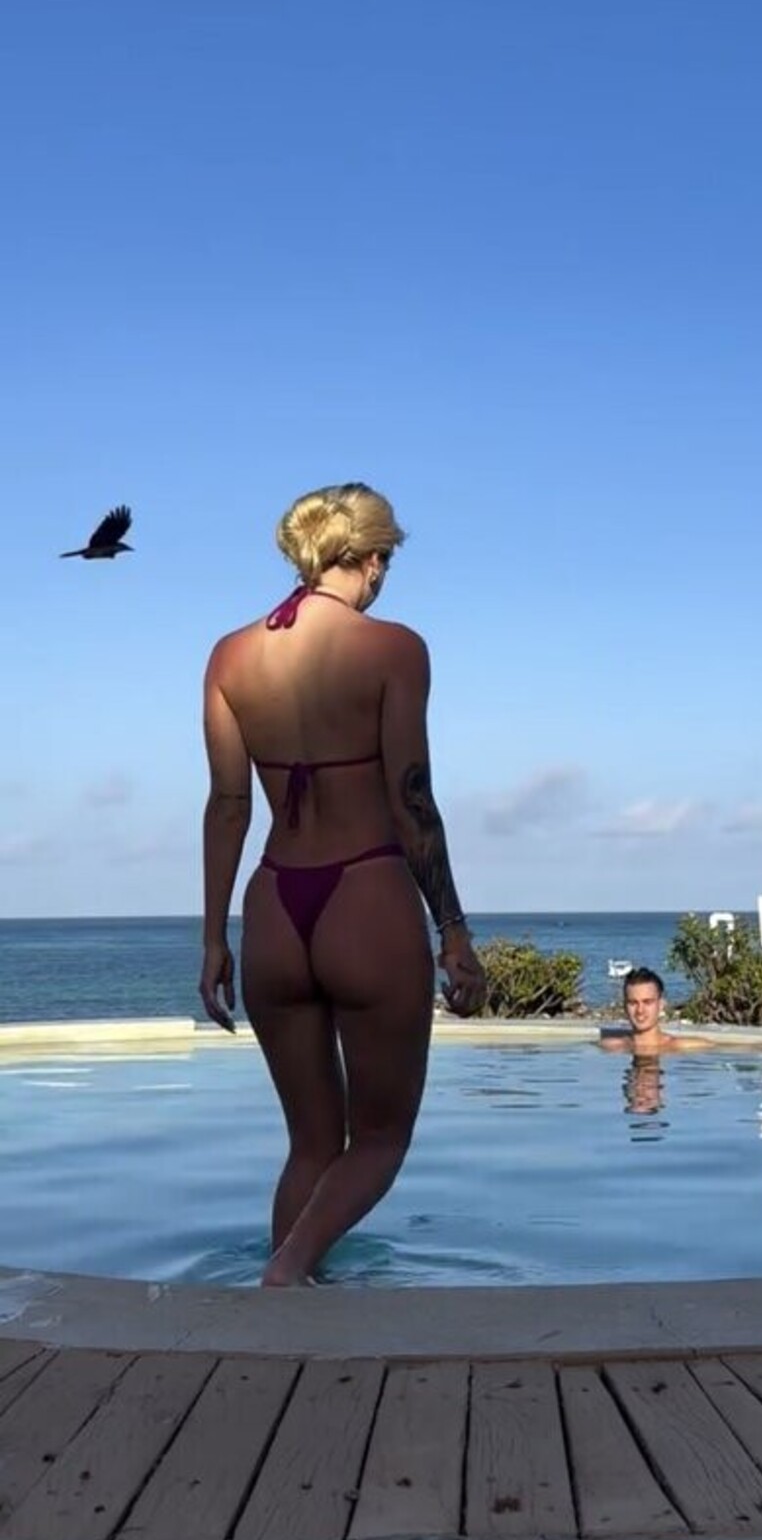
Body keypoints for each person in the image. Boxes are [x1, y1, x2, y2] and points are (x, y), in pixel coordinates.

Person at [199, 481, 486, 1287]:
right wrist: (454, 931)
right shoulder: (394, 650)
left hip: (274, 904)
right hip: (364, 893)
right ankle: (288, 1271)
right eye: (385, 560)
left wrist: (212, 937)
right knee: (381, 1140)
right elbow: (413, 800)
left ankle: (286, 1313)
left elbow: (227, 806)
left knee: (311, 1146)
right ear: (369, 559)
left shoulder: (230, 656)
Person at [599, 966, 719, 1055]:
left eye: (647, 1002)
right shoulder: (610, 1046)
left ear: (661, 1005)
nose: (640, 1010)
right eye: (633, 1003)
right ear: (625, 1006)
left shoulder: (689, 1046)